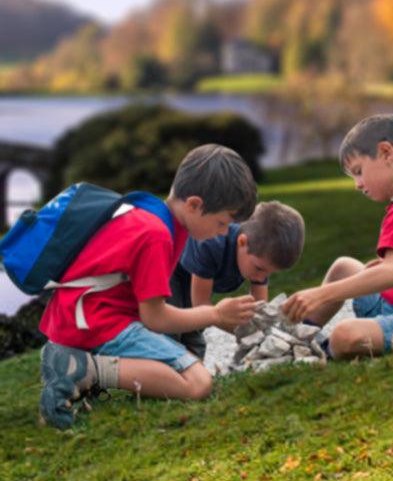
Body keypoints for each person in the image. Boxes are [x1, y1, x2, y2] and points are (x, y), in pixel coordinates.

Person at [38, 144, 259, 429]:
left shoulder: (156, 215)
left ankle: (76, 364)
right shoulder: (156, 235)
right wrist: (216, 314)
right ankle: (82, 370)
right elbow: (154, 318)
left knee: (179, 365)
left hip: (81, 317)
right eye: (221, 222)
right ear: (194, 205)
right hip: (99, 321)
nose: (222, 233)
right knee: (197, 383)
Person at [282, 114, 393, 357]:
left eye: (358, 171)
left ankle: (312, 353)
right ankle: (296, 339)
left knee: (344, 336)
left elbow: (391, 273)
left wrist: (319, 294)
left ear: (386, 152)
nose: (357, 184)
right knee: (343, 266)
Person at [168, 200, 306, 360]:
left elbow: (259, 311)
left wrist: (266, 337)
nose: (261, 278)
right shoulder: (211, 244)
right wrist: (246, 334)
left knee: (194, 338)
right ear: (242, 242)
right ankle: (160, 374)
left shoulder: (258, 257)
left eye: (269, 273)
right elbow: (202, 306)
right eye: (260, 269)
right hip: (170, 269)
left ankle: (189, 374)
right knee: (174, 330)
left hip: (196, 274)